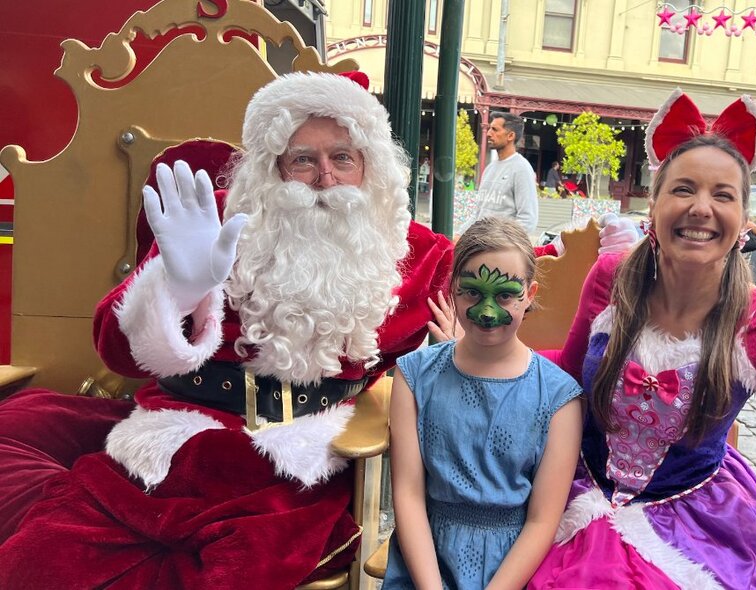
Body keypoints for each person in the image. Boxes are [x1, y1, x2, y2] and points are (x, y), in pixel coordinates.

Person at [0, 71, 454, 589]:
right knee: (43, 558)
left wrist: (457, 356)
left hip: (293, 460)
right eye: (303, 159)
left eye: (343, 157)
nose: (325, 177)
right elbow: (117, 352)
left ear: (370, 166)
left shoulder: (422, 255)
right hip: (175, 430)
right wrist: (177, 288)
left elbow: (448, 370)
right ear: (272, 167)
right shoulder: (213, 221)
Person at [527, 91, 756, 589]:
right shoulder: (610, 279)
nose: (700, 208)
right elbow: (564, 382)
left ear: (742, 221)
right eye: (683, 189)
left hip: (700, 528)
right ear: (653, 205)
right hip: (574, 493)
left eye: (722, 194)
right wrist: (491, 350)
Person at [385, 216, 583, 589]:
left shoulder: (560, 398)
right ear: (454, 290)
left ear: (531, 294)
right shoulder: (414, 377)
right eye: (472, 292)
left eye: (506, 294)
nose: (487, 311)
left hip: (513, 569)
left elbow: (542, 521)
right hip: (426, 561)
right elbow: (408, 496)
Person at [462, 112, 539, 234]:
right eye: (489, 129)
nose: (488, 134)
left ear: (510, 136)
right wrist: (459, 234)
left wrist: (500, 245)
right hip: (479, 247)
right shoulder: (489, 169)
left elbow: (528, 220)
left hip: (499, 249)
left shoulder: (521, 169)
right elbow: (478, 214)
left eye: (494, 130)